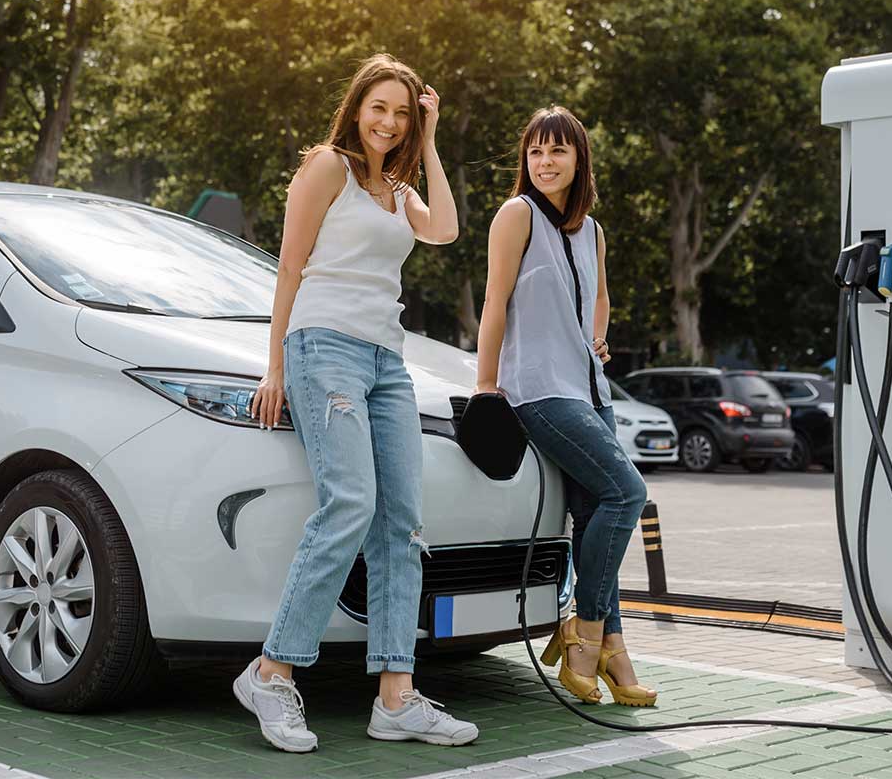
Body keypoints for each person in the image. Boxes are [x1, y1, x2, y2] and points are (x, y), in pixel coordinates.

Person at [233, 54, 478, 752]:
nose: (390, 122)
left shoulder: (400, 191)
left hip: (385, 360)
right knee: (350, 503)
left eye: (403, 113)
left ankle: (396, 697)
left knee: (402, 523)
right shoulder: (326, 168)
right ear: (357, 106)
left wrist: (431, 140)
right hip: (324, 346)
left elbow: (448, 229)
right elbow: (288, 262)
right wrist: (274, 363)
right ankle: (271, 671)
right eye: (381, 108)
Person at [475, 106, 657, 708]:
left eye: (557, 152)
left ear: (579, 159)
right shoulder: (516, 215)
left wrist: (597, 340)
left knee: (597, 523)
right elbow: (494, 302)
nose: (545, 163)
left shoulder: (593, 231)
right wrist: (485, 385)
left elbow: (599, 298)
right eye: (535, 152)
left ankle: (609, 650)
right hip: (538, 387)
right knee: (626, 494)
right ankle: (586, 635)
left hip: (591, 391)